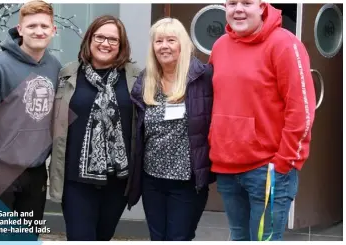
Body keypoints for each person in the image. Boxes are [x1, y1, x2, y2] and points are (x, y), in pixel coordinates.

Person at [208, 0, 316, 241]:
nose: (238, 9)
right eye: (232, 3)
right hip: (227, 168)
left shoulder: (285, 44)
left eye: (246, 3)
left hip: (268, 170)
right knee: (239, 237)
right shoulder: (220, 46)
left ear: (262, 6)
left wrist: (283, 163)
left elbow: (301, 109)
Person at [0, 0, 61, 241]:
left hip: (36, 171)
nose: (38, 31)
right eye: (31, 26)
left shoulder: (54, 67)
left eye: (44, 25)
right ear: (20, 30)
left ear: (53, 30)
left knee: (27, 237)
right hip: (1, 170)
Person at [48, 15, 141, 241]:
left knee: (103, 237)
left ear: (121, 45)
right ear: (89, 39)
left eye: (113, 39)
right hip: (75, 180)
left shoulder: (136, 77)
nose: (105, 44)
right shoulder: (67, 74)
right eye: (100, 37)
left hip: (117, 181)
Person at [128, 17, 214, 241]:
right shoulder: (146, 80)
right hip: (152, 179)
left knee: (179, 237)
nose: (164, 46)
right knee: (157, 237)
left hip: (186, 182)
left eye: (171, 40)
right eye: (159, 41)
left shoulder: (202, 78)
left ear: (182, 45)